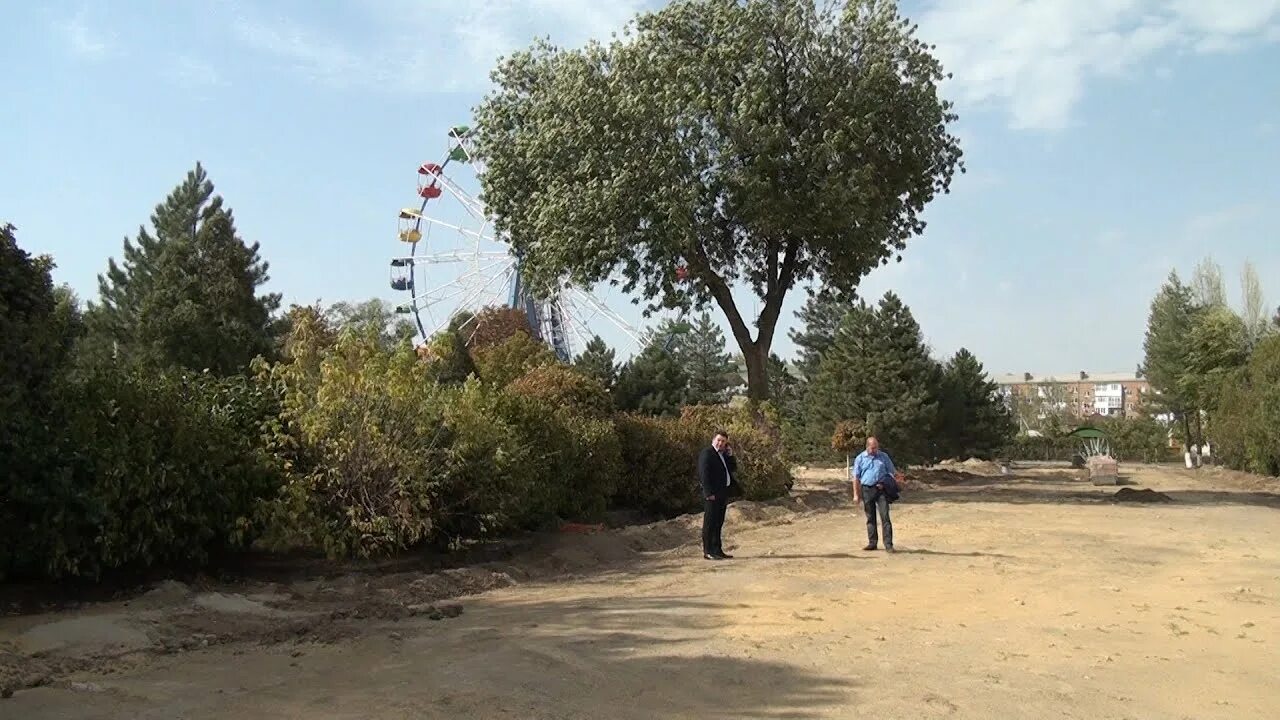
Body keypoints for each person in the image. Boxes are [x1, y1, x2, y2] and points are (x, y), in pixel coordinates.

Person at [852, 436, 897, 552]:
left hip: (881, 489)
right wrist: (856, 495)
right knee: (870, 517)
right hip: (867, 489)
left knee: (885, 516)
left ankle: (888, 545)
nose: (874, 450)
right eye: (872, 448)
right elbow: (856, 478)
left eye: (876, 448)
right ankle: (872, 543)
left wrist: (885, 483)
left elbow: (891, 472)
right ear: (867, 446)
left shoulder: (884, 457)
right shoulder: (860, 458)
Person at [698, 430, 737, 561]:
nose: (720, 443)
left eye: (723, 441)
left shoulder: (723, 454)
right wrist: (708, 493)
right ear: (713, 440)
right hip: (712, 495)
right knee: (709, 523)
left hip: (722, 493)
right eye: (719, 440)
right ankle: (708, 551)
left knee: (718, 523)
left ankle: (717, 550)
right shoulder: (707, 453)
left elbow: (733, 468)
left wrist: (730, 455)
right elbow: (704, 474)